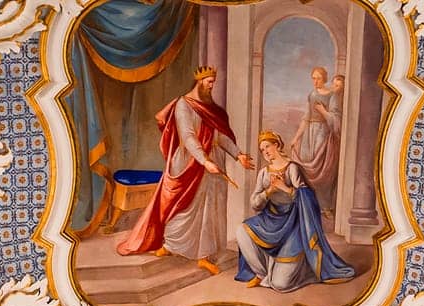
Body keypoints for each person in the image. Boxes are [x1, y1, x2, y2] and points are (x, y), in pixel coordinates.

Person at [118, 65, 255, 275]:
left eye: (213, 83)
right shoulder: (184, 105)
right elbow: (188, 136)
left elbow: (220, 136)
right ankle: (171, 245)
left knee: (208, 210)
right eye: (209, 83)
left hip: (211, 163)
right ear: (199, 82)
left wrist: (239, 155)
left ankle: (203, 256)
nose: (212, 87)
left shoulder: (210, 109)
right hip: (188, 163)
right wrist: (204, 160)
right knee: (182, 205)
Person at [235, 131, 356, 292]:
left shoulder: (292, 168)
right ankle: (262, 273)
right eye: (262, 150)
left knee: (280, 284)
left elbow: (306, 198)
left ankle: (305, 269)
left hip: (293, 225)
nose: (265, 152)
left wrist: (284, 187)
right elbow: (255, 204)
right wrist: (269, 190)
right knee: (241, 230)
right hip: (271, 221)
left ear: (277, 145)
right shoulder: (264, 173)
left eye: (267, 147)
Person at [290, 69, 344, 210]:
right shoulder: (312, 95)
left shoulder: (332, 96)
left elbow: (336, 120)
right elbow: (306, 118)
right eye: (313, 78)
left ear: (325, 79)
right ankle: (307, 203)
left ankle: (323, 206)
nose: (315, 81)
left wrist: (323, 111)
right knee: (305, 167)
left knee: (320, 168)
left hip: (323, 132)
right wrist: (296, 138)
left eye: (318, 78)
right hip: (309, 134)